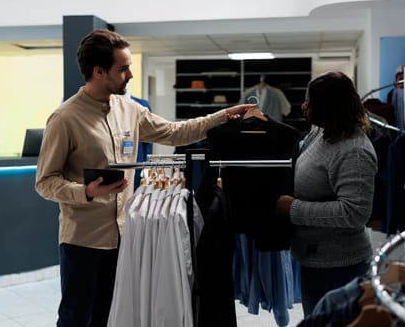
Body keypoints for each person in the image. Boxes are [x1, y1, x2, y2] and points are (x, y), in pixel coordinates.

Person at [34, 28, 254, 327]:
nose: (130, 75)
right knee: (76, 317)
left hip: (127, 237)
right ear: (98, 72)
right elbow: (45, 182)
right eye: (123, 69)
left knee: (111, 316)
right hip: (83, 241)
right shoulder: (65, 118)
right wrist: (86, 191)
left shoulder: (130, 109)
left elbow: (176, 132)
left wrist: (222, 116)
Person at [276, 71, 378, 316]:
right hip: (314, 261)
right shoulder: (321, 132)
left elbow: (354, 213)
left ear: (328, 108)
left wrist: (293, 209)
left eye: (309, 103)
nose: (303, 106)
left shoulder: (354, 151)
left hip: (340, 267)